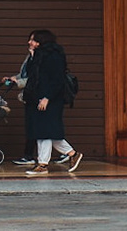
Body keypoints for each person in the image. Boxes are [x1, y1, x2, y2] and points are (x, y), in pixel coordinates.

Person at [22, 28, 82, 176]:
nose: (30, 42)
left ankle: (43, 164)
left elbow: (56, 79)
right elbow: (31, 75)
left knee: (43, 132)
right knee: (47, 131)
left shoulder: (53, 56)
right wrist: (32, 57)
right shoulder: (38, 55)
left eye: (33, 39)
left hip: (50, 100)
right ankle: (72, 154)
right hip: (39, 98)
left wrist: (47, 97)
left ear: (41, 40)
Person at [2, 40, 37, 167]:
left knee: (37, 127)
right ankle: (67, 151)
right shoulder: (30, 57)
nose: (29, 42)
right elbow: (24, 74)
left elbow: (36, 78)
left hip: (37, 97)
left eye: (33, 40)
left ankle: (68, 151)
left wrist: (19, 82)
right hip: (30, 97)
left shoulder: (40, 59)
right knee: (35, 127)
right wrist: (13, 78)